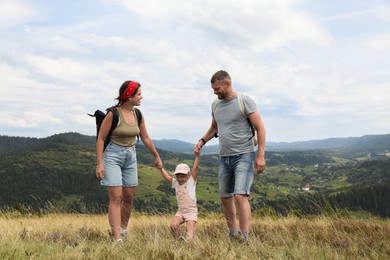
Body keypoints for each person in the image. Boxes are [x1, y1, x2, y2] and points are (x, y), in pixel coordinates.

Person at [194, 70, 266, 242]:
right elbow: (214, 127)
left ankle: (244, 236)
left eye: (217, 88)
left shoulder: (244, 101)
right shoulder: (216, 105)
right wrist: (202, 140)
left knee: (240, 195)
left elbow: (260, 128)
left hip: (244, 155)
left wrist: (261, 155)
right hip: (224, 157)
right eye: (213, 89)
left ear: (227, 84)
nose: (215, 92)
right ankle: (233, 233)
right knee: (225, 197)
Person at [95, 80, 163, 243]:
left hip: (131, 156)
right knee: (116, 197)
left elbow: (145, 137)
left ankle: (123, 230)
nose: (141, 97)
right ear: (129, 96)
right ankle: (117, 237)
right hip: (113, 155)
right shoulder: (113, 114)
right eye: (139, 94)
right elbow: (101, 139)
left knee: (129, 197)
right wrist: (99, 163)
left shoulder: (137, 114)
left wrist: (156, 155)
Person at [158, 154, 200, 242]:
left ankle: (189, 245)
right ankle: (178, 240)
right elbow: (167, 178)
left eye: (183, 177)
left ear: (188, 175)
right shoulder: (176, 183)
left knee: (189, 231)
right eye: (178, 177)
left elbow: (195, 168)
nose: (180, 179)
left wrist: (197, 156)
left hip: (191, 212)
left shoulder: (191, 182)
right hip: (181, 211)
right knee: (173, 225)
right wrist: (161, 169)